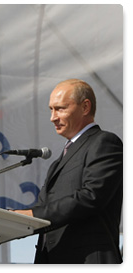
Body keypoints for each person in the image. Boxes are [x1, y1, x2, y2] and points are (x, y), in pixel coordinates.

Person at [13, 79, 123, 263]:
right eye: (51, 109)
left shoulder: (104, 142)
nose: (53, 117)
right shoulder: (58, 162)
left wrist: (33, 215)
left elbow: (91, 196)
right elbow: (45, 208)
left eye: (60, 108)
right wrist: (9, 221)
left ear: (85, 107)